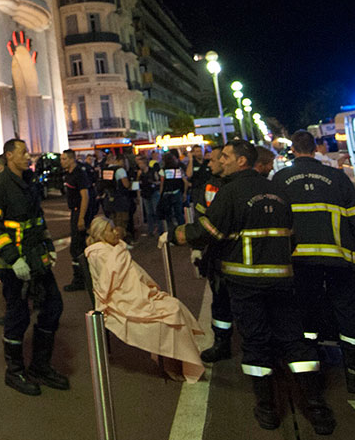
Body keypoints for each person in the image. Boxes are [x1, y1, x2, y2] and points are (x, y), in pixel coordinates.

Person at [170, 139, 335, 434]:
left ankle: (267, 407)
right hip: (282, 280)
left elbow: (208, 231)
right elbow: (292, 235)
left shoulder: (231, 192)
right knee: (294, 340)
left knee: (256, 343)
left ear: (242, 161)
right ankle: (316, 407)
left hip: (245, 282)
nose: (222, 160)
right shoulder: (277, 190)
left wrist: (175, 235)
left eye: (226, 156)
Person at [273, 130, 355, 394]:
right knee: (347, 310)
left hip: (299, 260)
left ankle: (313, 373)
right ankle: (354, 373)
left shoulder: (280, 179)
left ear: (293, 150)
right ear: (315, 149)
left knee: (306, 311)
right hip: (339, 259)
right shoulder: (337, 177)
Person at [0, 138, 67, 396]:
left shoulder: (29, 183)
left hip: (35, 258)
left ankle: (40, 366)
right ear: (9, 155)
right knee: (18, 316)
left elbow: (37, 220)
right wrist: (13, 258)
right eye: (23, 152)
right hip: (13, 265)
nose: (28, 156)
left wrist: (48, 246)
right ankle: (15, 371)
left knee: (53, 306)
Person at [85, 216, 205, 383]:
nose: (116, 232)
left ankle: (177, 358)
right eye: (111, 230)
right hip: (123, 299)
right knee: (171, 312)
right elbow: (109, 284)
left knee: (174, 306)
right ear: (101, 235)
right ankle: (170, 361)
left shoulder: (115, 249)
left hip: (135, 294)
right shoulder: (99, 253)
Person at [192, 146, 234, 364]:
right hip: (216, 253)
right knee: (220, 301)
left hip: (233, 253)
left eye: (215, 159)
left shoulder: (235, 185)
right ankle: (222, 342)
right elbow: (201, 217)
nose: (210, 164)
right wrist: (197, 247)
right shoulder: (210, 185)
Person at [59, 149, 94, 292]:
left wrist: (81, 218)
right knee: (78, 246)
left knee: (77, 247)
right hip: (75, 211)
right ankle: (85, 277)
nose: (62, 162)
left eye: (64, 159)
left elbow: (85, 196)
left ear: (72, 159)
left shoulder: (79, 174)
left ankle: (80, 279)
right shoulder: (69, 174)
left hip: (79, 211)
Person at [157, 150, 187, 234]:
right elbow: (185, 182)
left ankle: (171, 233)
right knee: (179, 214)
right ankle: (182, 232)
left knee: (168, 215)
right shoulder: (178, 169)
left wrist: (160, 194)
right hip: (177, 192)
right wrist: (184, 193)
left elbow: (162, 184)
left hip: (167, 194)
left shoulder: (163, 170)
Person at [137, 154, 161, 236]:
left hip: (153, 192)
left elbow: (158, 181)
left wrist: (153, 183)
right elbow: (138, 183)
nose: (139, 165)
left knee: (156, 211)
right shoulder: (140, 173)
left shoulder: (152, 171)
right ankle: (150, 230)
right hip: (145, 194)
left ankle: (159, 229)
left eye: (141, 163)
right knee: (149, 213)